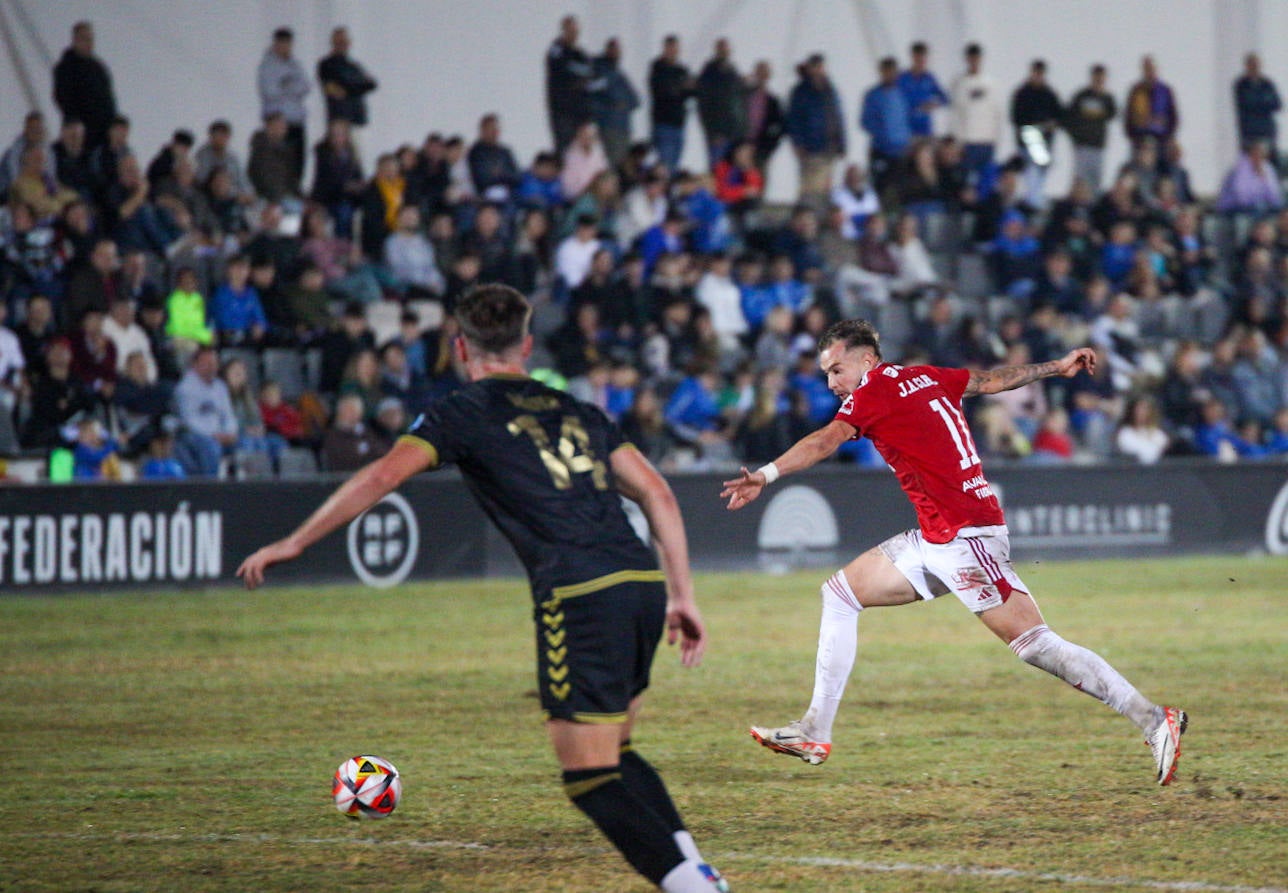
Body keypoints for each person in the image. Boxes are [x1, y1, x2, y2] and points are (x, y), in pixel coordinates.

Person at [238, 284, 726, 893]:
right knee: (617, 750)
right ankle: (695, 868)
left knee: (590, 777)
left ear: (458, 346)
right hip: (640, 582)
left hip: (579, 594)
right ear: (525, 344)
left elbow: (384, 474)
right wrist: (682, 594)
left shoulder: (461, 412)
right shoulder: (579, 409)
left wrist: (297, 542)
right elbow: (657, 491)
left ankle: (694, 886)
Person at [720, 318, 1188, 786]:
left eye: (837, 370)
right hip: (935, 538)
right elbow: (991, 380)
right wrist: (1056, 366)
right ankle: (814, 730)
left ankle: (1153, 720)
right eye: (826, 374)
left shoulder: (872, 392)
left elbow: (826, 440)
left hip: (968, 537)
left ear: (866, 360)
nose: (832, 383)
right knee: (840, 593)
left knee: (1035, 645)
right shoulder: (925, 376)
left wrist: (765, 475)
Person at [786, 53, 846, 206]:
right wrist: (798, 144)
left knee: (826, 186)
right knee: (811, 188)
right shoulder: (801, 91)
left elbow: (838, 117)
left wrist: (842, 143)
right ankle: (809, 214)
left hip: (830, 147)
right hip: (811, 147)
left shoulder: (829, 89)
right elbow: (794, 120)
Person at [52, 21, 118, 151]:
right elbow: (63, 98)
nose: (89, 43)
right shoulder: (65, 68)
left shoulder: (99, 68)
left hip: (103, 134)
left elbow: (109, 99)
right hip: (79, 136)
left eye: (90, 39)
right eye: (84, 39)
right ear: (75, 40)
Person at [257, 27, 311, 179]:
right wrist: (290, 87)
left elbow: (306, 86)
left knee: (297, 163)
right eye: (282, 43)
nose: (286, 47)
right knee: (281, 164)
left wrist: (286, 85)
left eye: (288, 43)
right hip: (278, 124)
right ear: (276, 44)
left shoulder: (295, 64)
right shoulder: (267, 66)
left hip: (297, 121)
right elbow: (269, 91)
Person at [1010, 59, 1062, 209]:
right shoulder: (1022, 93)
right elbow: (1016, 118)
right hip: (1028, 140)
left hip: (1045, 142)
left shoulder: (1049, 94)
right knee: (1031, 177)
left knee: (1039, 179)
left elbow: (1059, 116)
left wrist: (1050, 125)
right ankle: (1032, 205)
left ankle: (1034, 204)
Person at [860, 57, 913, 196]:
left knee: (901, 190)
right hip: (881, 150)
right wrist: (883, 135)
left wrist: (907, 140)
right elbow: (865, 121)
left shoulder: (903, 94)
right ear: (881, 72)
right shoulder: (873, 95)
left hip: (901, 152)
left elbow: (909, 118)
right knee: (879, 189)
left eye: (893, 72)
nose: (890, 75)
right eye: (887, 72)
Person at [950, 43, 1003, 180]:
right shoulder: (959, 83)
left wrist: (996, 138)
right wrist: (958, 141)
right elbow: (956, 113)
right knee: (968, 183)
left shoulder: (990, 83)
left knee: (986, 183)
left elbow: (996, 113)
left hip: (986, 141)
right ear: (967, 59)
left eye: (977, 57)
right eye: (971, 58)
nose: (974, 61)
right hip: (968, 142)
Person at [1063, 64, 1118, 191]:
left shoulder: (1107, 98)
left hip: (1098, 146)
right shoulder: (1081, 96)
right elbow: (1067, 118)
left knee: (1096, 180)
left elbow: (1113, 114)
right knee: (1080, 180)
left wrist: (1104, 96)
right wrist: (1075, 137)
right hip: (1082, 146)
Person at [545, 15, 594, 154]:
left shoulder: (581, 54)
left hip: (580, 114)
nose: (573, 34)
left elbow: (590, 76)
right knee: (566, 152)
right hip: (563, 113)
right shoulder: (556, 51)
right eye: (570, 31)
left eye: (575, 31)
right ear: (563, 30)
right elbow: (563, 75)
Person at [696, 38, 747, 170]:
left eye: (726, 48)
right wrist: (713, 132)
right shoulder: (709, 72)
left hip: (735, 134)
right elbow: (704, 105)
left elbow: (739, 103)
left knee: (733, 175)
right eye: (721, 48)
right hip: (718, 135)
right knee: (718, 171)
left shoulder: (733, 71)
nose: (724, 51)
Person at [592, 38, 641, 168]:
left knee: (622, 164)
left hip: (623, 127)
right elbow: (592, 96)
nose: (616, 53)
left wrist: (623, 104)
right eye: (613, 49)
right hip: (609, 127)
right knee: (613, 165)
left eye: (618, 50)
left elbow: (636, 100)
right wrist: (612, 106)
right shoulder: (599, 70)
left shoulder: (619, 74)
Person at [649, 35, 694, 174]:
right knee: (666, 166)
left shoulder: (682, 69)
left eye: (675, 48)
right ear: (665, 48)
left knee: (674, 166)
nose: (673, 51)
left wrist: (689, 87)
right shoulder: (658, 68)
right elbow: (664, 91)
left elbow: (691, 92)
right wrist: (682, 87)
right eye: (670, 48)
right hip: (664, 124)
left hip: (679, 124)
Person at [317, 26, 378, 128]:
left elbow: (372, 84)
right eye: (339, 42)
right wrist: (356, 86)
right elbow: (335, 90)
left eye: (344, 42)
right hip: (339, 123)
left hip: (357, 119)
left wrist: (349, 87)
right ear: (333, 43)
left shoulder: (353, 66)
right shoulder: (326, 65)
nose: (342, 45)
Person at [897, 42, 950, 138]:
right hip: (906, 129)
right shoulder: (902, 78)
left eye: (923, 58)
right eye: (918, 58)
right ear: (912, 57)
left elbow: (946, 99)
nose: (921, 61)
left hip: (926, 130)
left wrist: (934, 104)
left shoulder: (929, 78)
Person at [1125, 55, 1178, 147]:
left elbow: (1173, 115)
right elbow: (1128, 115)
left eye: (1151, 68)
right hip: (1140, 138)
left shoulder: (1165, 90)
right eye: (1146, 68)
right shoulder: (1136, 90)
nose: (1149, 71)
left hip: (1161, 138)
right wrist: (1133, 137)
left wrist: (1169, 136)